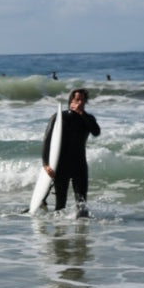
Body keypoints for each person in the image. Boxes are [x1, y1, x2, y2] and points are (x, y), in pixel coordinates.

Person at [40, 87, 100, 216]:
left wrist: (82, 114)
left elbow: (96, 132)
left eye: (83, 100)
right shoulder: (59, 117)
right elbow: (47, 140)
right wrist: (45, 164)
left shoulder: (88, 119)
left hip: (79, 165)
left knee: (82, 204)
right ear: (71, 101)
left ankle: (82, 234)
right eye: (78, 99)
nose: (80, 103)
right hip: (61, 165)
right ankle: (59, 234)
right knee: (60, 204)